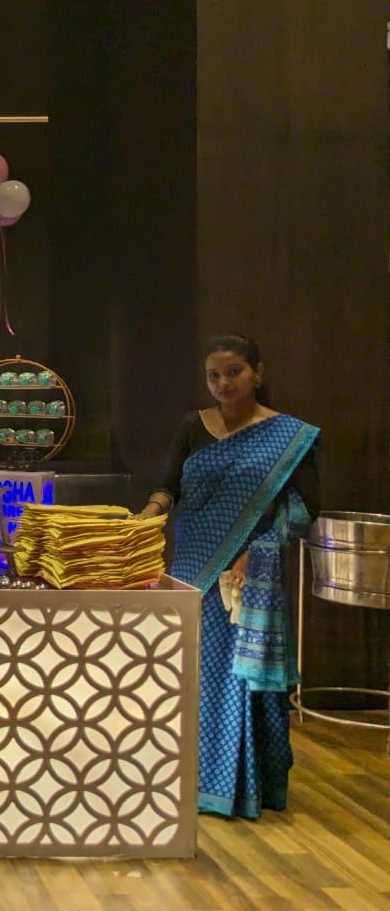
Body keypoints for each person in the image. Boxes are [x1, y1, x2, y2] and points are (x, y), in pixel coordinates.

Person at [135, 334, 319, 819]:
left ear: (257, 372)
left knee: (240, 675)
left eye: (234, 372)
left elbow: (303, 508)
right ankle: (181, 779)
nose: (223, 383)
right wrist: (147, 515)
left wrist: (255, 553)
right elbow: (168, 487)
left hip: (249, 573)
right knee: (190, 671)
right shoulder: (192, 427)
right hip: (193, 566)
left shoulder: (289, 436)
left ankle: (240, 787)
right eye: (214, 375)